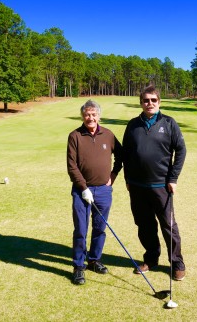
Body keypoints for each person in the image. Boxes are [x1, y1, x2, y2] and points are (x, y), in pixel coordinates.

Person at [122, 85, 187, 281]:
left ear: (159, 102)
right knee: (144, 225)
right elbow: (126, 154)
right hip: (137, 186)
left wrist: (173, 178)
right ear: (141, 102)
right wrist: (127, 179)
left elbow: (181, 151)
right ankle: (151, 259)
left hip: (161, 186)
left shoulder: (168, 123)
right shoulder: (133, 124)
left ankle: (177, 263)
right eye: (145, 100)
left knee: (168, 225)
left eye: (153, 100)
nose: (149, 103)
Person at [67, 99, 123, 285]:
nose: (90, 117)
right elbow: (72, 166)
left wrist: (113, 175)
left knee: (100, 228)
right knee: (81, 230)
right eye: (87, 114)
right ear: (82, 115)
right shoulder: (75, 136)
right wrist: (83, 188)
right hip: (81, 191)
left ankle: (94, 260)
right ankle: (78, 266)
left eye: (93, 114)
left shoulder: (108, 134)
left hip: (103, 191)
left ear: (99, 116)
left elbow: (121, 156)